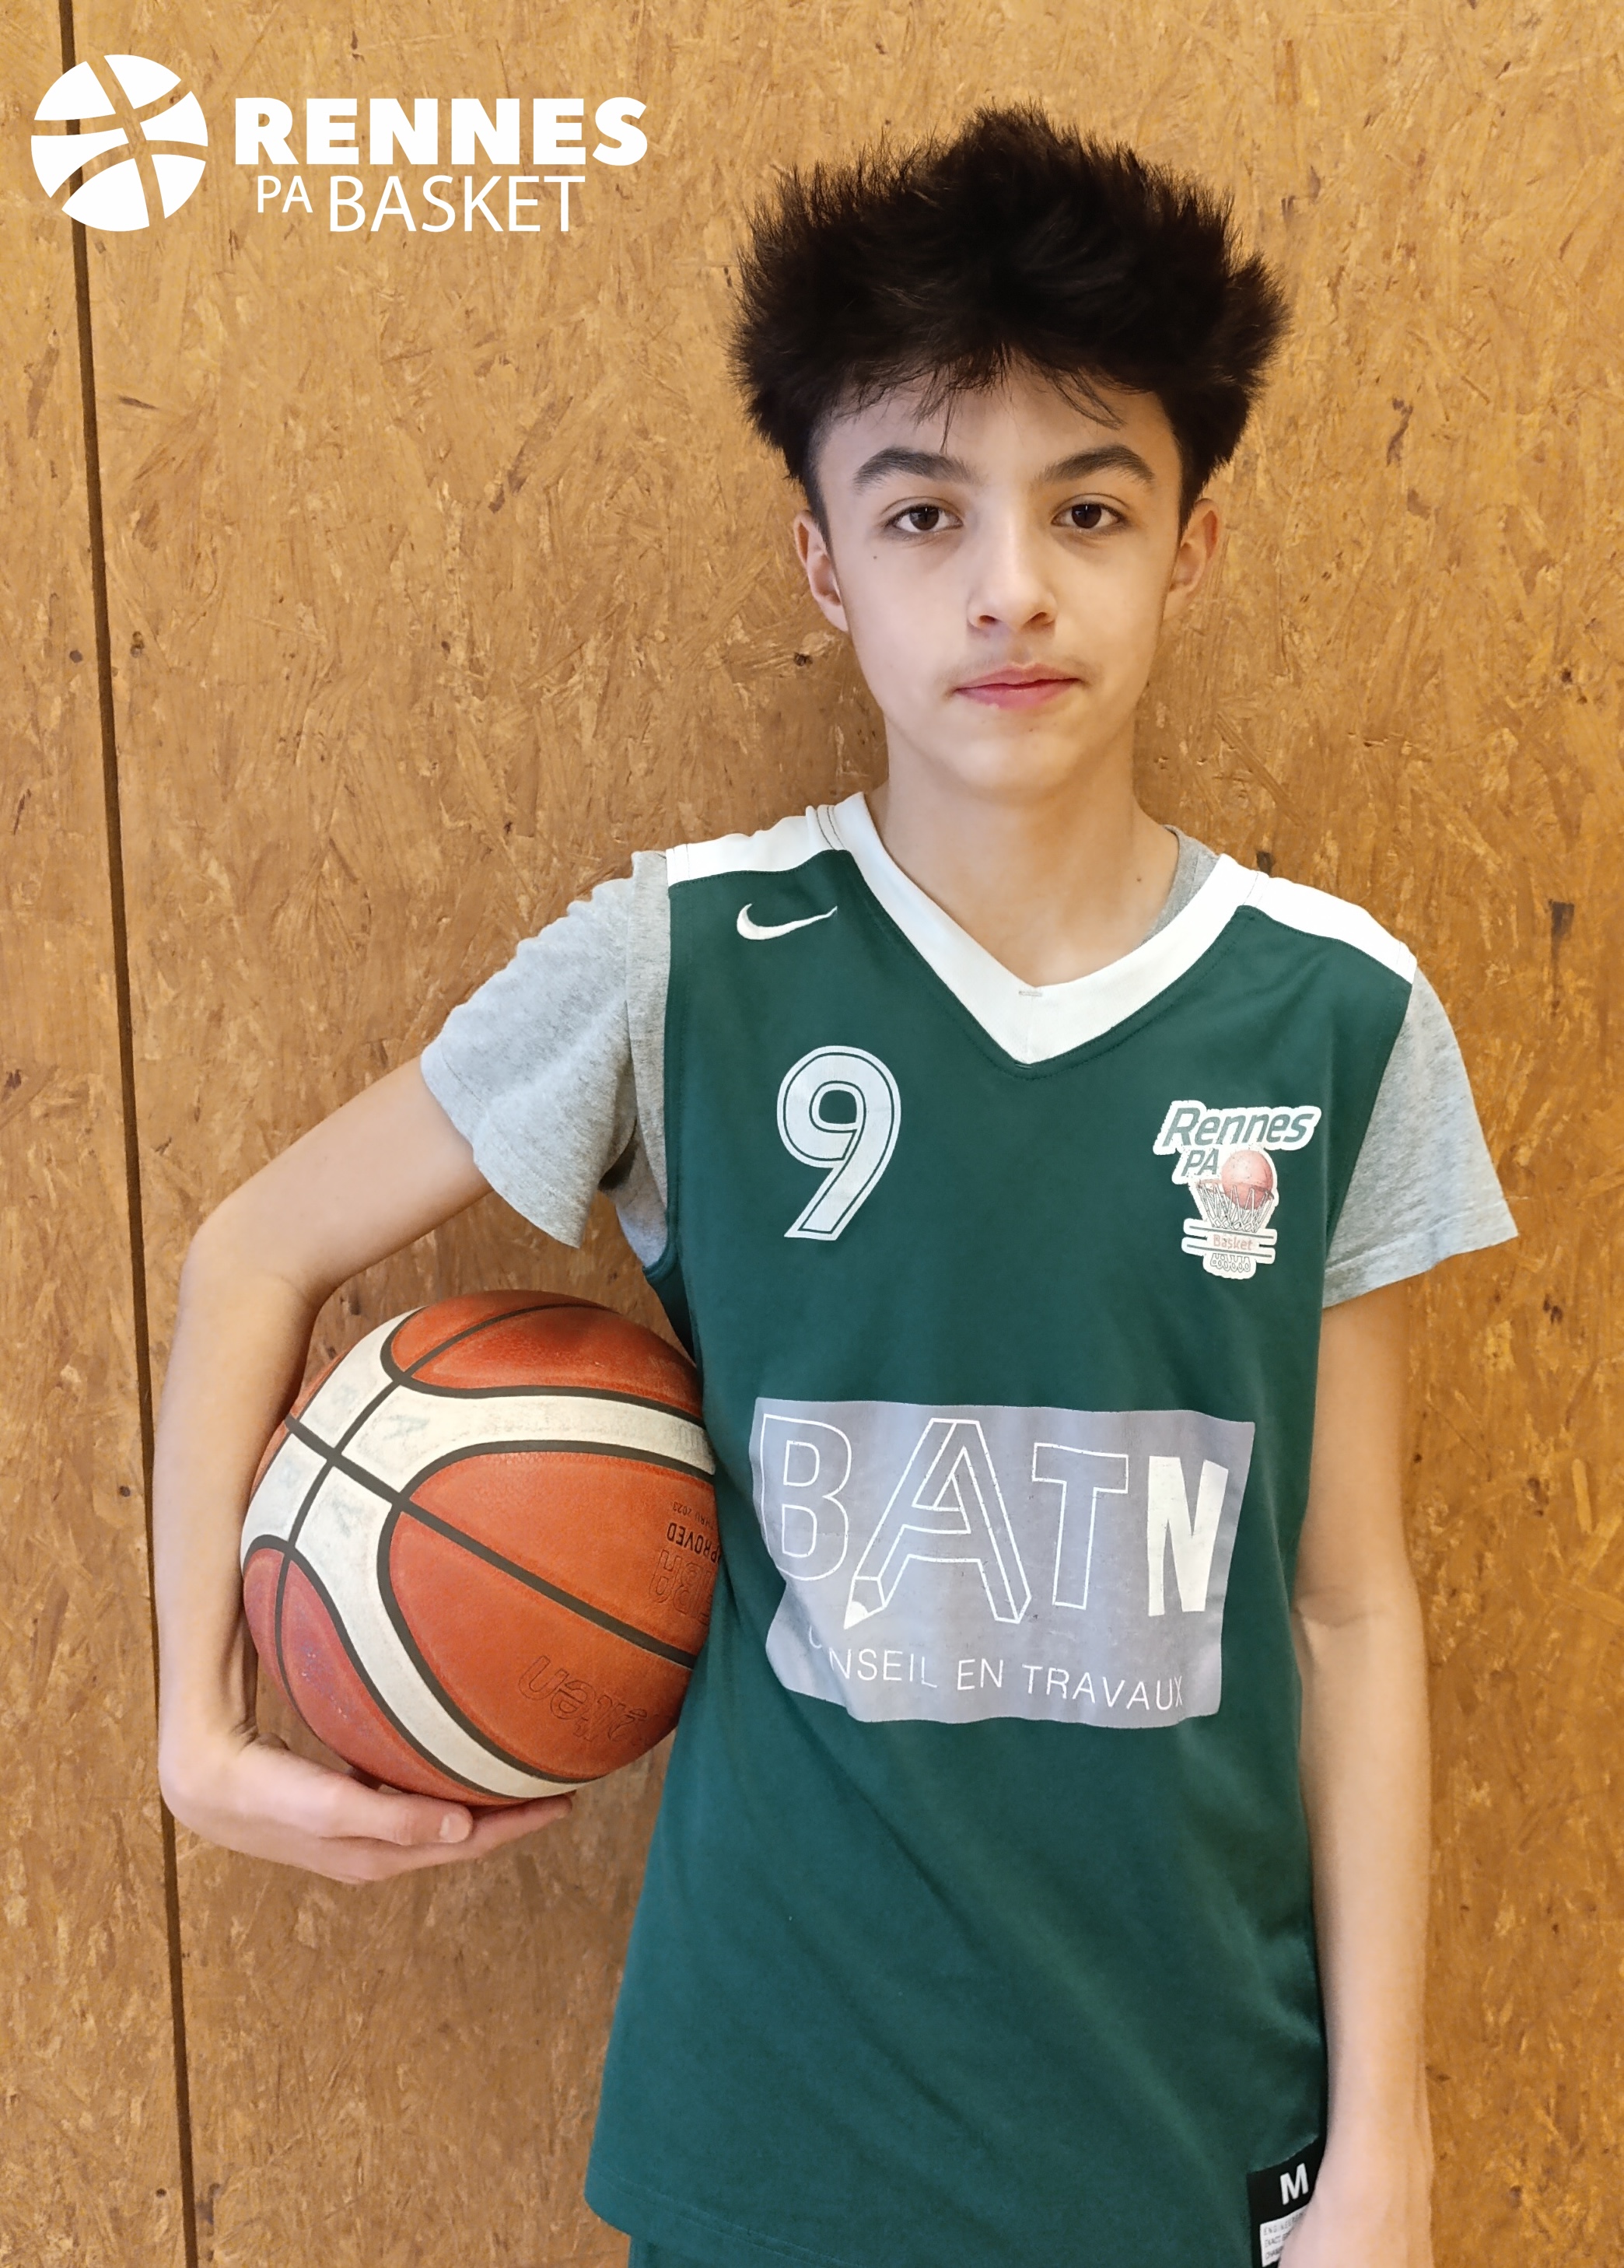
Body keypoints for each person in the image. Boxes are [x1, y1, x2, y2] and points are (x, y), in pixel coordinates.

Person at [154, 106, 1516, 2268]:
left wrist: (1386, 2151)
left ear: (1192, 548)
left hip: (1194, 2124)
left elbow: (1345, 1608)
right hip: (773, 2130)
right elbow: (251, 1252)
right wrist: (196, 1724)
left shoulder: (1335, 1010)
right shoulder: (683, 962)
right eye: (921, 510)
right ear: (824, 567)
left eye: (1090, 506)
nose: (1010, 584)